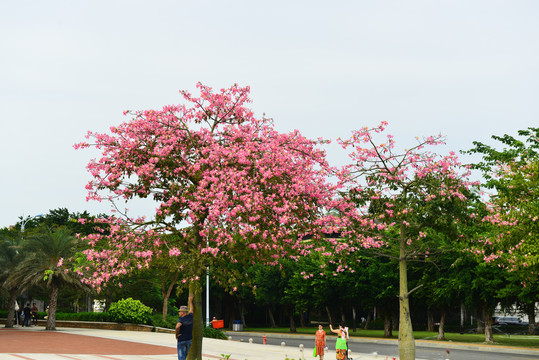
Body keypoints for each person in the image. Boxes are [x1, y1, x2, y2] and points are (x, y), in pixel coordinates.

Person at [175, 294, 195, 360]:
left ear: (183, 312)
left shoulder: (181, 319)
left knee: (181, 357)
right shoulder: (190, 317)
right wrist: (190, 301)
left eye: (180, 312)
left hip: (182, 340)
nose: (179, 313)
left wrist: (176, 335)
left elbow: (177, 327)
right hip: (189, 340)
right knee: (185, 356)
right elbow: (192, 309)